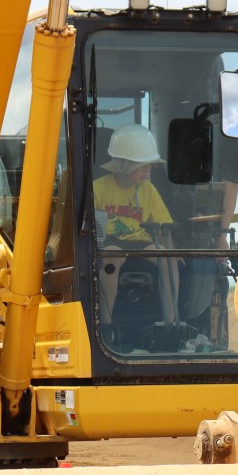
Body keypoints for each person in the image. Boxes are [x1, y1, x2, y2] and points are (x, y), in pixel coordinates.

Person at [93, 123, 177, 329]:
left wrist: (173, 252)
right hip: (111, 242)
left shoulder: (148, 190)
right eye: (143, 166)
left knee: (168, 259)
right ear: (122, 164)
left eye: (150, 166)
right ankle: (105, 325)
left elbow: (163, 227)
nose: (148, 172)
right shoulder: (98, 189)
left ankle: (172, 322)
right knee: (110, 258)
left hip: (141, 241)